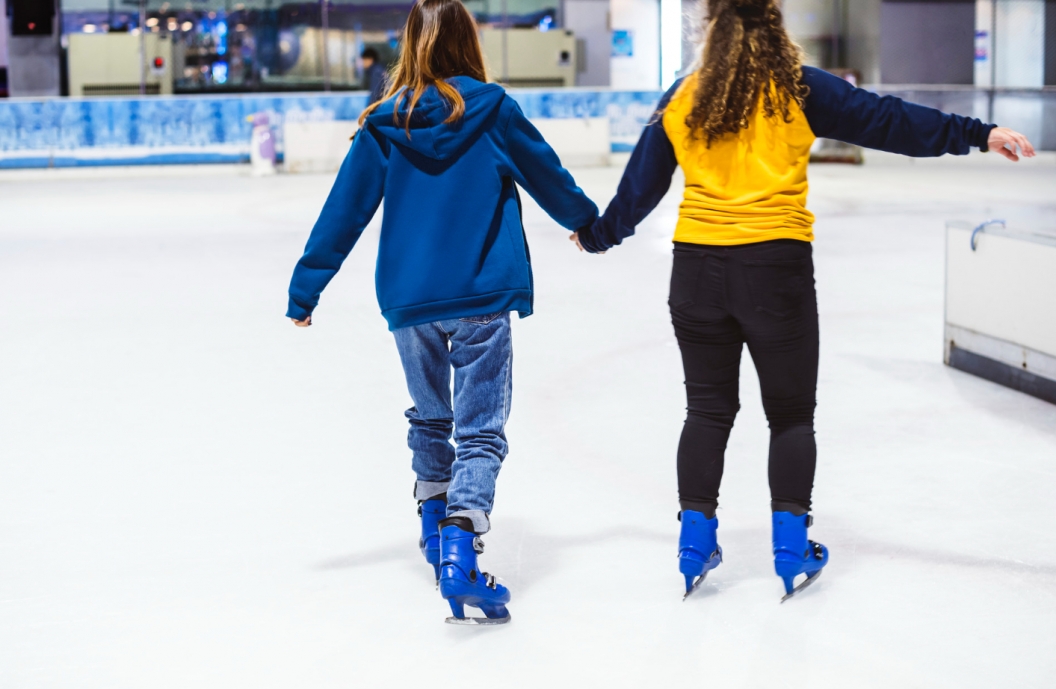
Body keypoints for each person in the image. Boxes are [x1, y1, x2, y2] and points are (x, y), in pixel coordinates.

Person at [573, 0, 1035, 601]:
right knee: (790, 415)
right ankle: (790, 548)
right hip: (775, 273)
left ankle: (694, 544)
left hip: (697, 273)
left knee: (707, 411)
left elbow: (640, 188)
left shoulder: (682, 96)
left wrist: (597, 235)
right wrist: (977, 134)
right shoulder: (797, 88)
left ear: (707, 27)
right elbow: (887, 121)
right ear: (773, 24)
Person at [286, 0, 598, 624]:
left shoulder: (383, 122)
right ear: (467, 41)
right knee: (479, 430)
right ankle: (461, 546)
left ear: (409, 45)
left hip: (410, 302)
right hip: (481, 296)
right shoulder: (493, 110)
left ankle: (434, 533)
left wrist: (306, 287)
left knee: (432, 420)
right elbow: (548, 175)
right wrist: (587, 223)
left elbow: (343, 212)